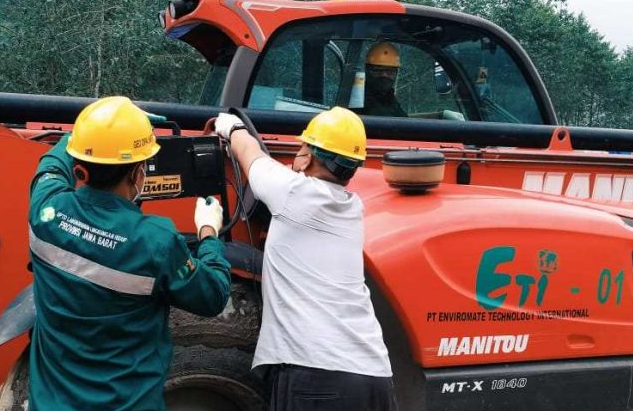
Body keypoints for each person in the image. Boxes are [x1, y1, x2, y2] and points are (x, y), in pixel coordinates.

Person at [26, 96, 231, 410]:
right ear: (138, 174)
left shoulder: (46, 210)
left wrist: (98, 127)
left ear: (80, 169)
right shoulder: (156, 241)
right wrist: (209, 232)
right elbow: (213, 295)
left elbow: (51, 164)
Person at [215, 107, 396, 410]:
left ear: (308, 158)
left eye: (301, 148)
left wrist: (230, 126)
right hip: (374, 376)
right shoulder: (353, 207)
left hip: (316, 376)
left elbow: (248, 151)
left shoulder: (292, 192)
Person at [359, 41, 407, 117]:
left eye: (389, 71)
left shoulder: (389, 98)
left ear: (396, 73)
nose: (384, 75)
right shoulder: (358, 100)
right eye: (377, 70)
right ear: (367, 70)